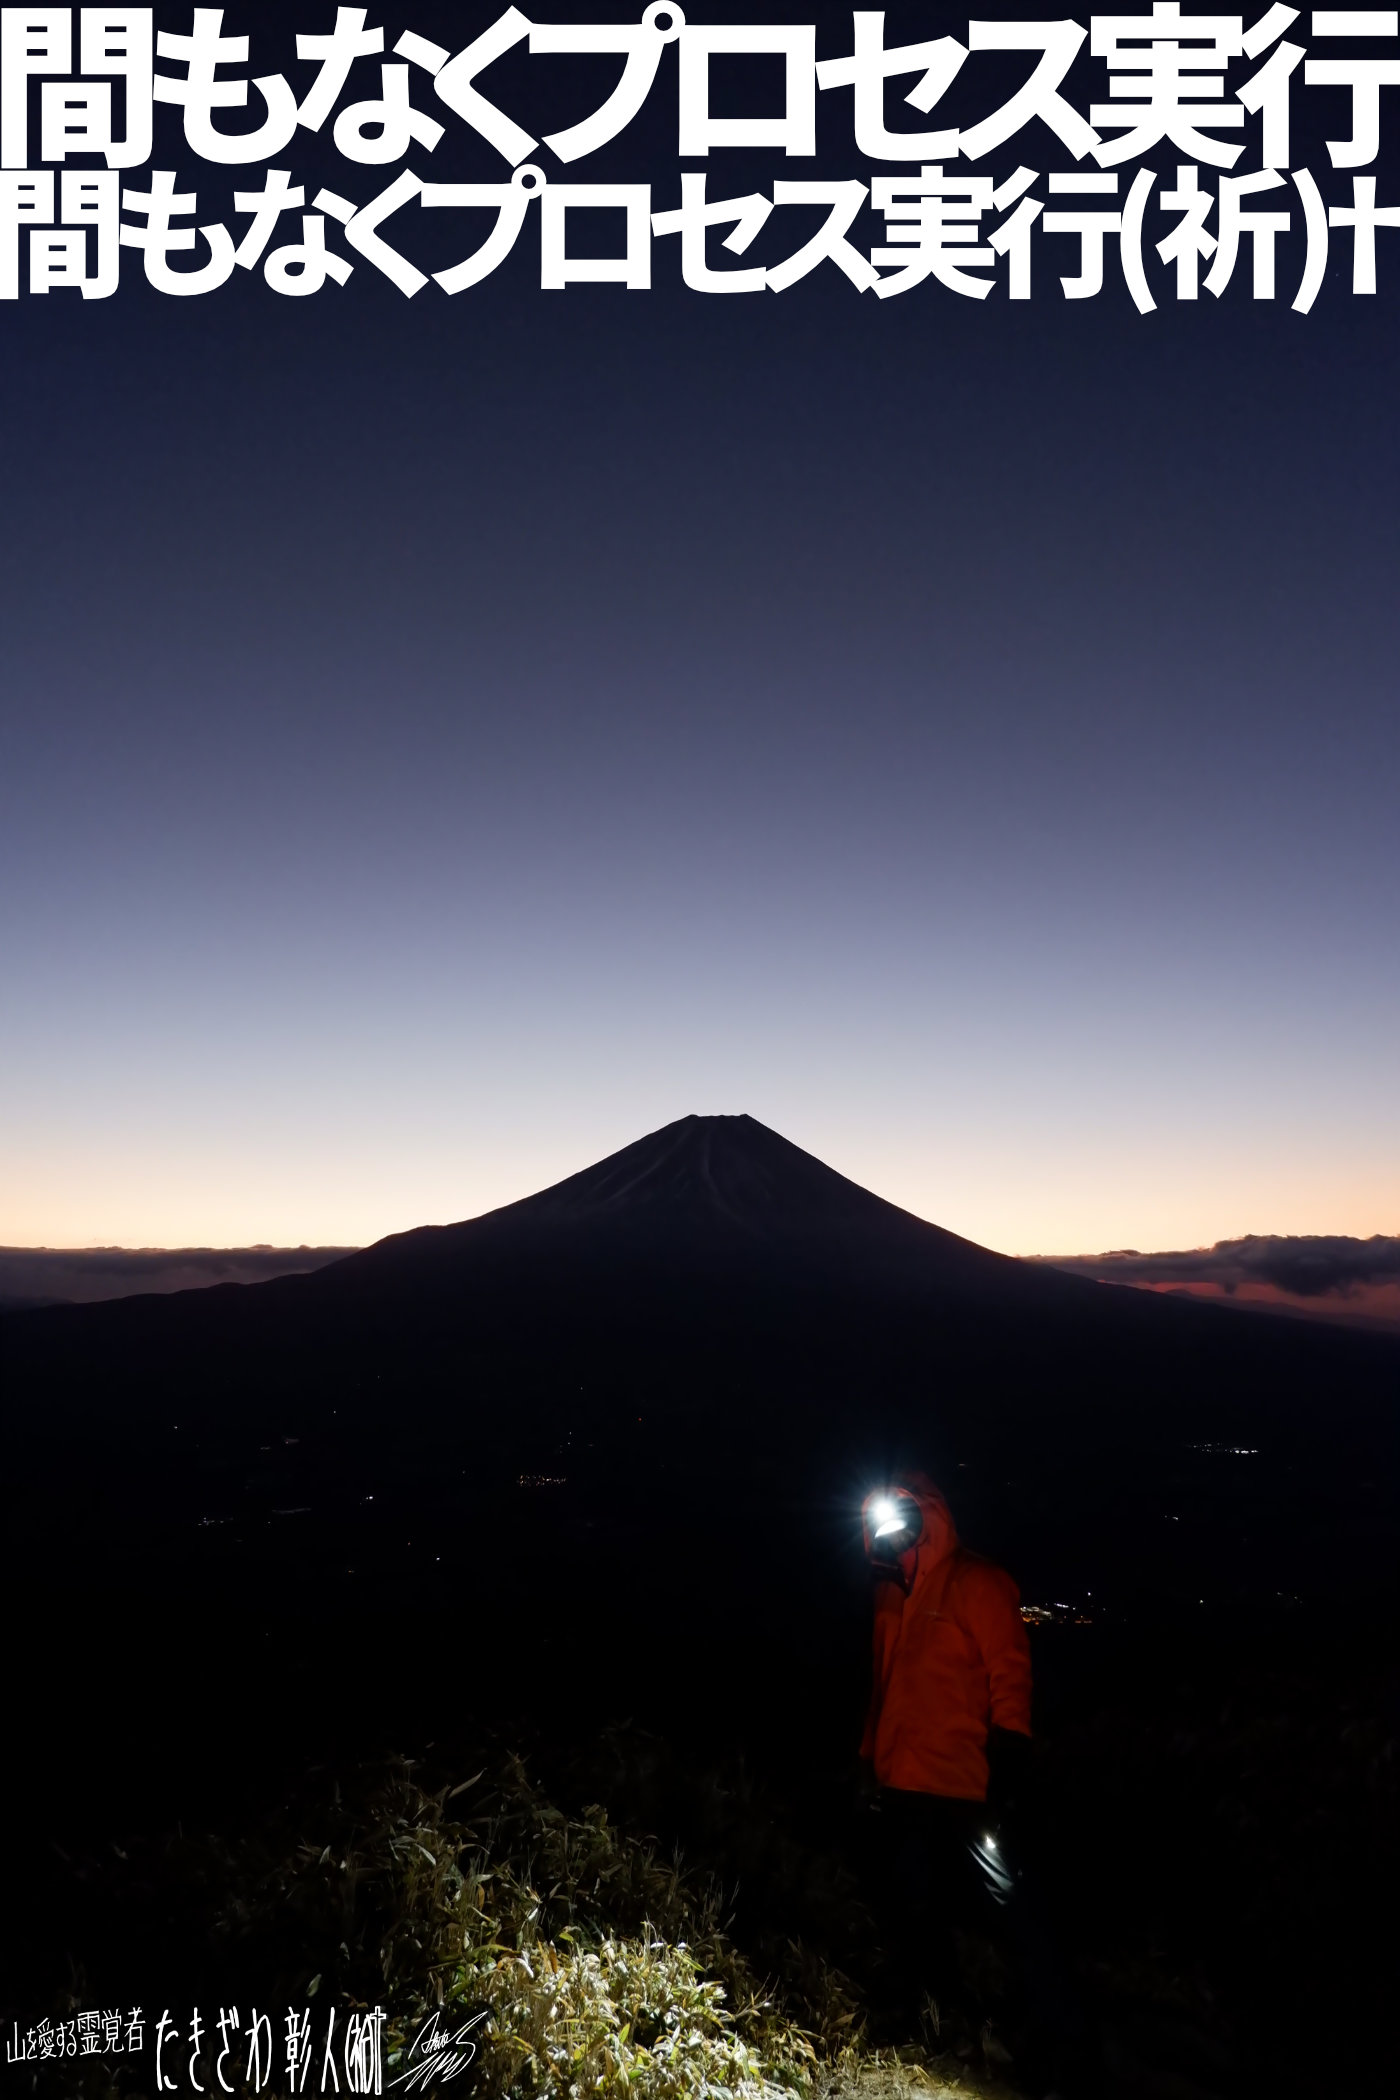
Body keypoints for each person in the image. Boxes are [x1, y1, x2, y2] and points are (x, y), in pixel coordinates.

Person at [860, 1471, 1095, 2099]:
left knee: (1013, 1915)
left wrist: (1010, 1753)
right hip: (906, 1782)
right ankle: (923, 2019)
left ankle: (1061, 2044)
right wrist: (871, 1758)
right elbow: (886, 1687)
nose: (894, 1530)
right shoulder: (890, 1594)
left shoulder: (978, 1582)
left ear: (927, 1517)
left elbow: (1010, 1675)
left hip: (968, 1787)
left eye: (904, 1516)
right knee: (910, 1905)